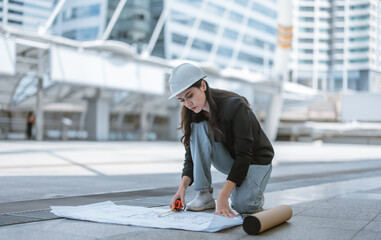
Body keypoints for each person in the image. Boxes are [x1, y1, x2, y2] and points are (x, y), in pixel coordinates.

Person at [168, 63, 274, 218]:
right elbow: (191, 156)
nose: (187, 104)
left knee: (244, 206)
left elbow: (245, 155)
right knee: (197, 127)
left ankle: (251, 192)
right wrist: (181, 188)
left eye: (190, 95)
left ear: (203, 85)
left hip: (255, 161)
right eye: (181, 100)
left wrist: (223, 196)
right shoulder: (192, 113)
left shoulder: (235, 105)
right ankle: (204, 195)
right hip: (230, 161)